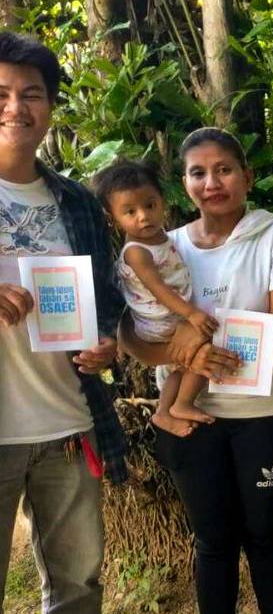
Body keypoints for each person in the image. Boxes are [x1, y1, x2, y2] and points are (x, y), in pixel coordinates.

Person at [121, 127, 273, 614]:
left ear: (246, 176)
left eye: (224, 170)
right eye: (198, 173)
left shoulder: (272, 237)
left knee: (264, 533)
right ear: (184, 185)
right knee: (211, 539)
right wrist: (185, 354)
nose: (213, 183)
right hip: (189, 419)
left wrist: (215, 344)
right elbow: (138, 336)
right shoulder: (165, 246)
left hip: (262, 411)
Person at [0, 31, 152, 614]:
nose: (16, 107)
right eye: (1, 94)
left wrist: (107, 340)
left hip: (67, 419)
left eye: (31, 93)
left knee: (79, 579)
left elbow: (110, 305)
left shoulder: (78, 203)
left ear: (50, 108)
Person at [93, 160, 217, 438]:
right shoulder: (137, 251)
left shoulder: (160, 238)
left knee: (182, 364)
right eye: (130, 212)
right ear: (113, 218)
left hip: (166, 317)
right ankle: (183, 403)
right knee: (206, 344)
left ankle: (164, 412)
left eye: (150, 205)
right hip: (158, 322)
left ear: (162, 201)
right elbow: (159, 289)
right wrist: (192, 315)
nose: (143, 217)